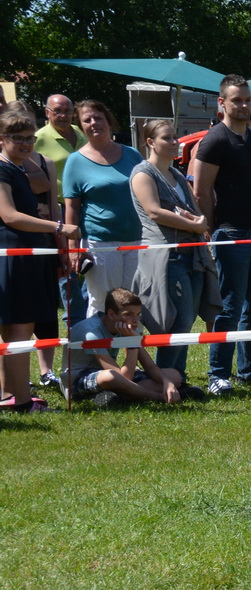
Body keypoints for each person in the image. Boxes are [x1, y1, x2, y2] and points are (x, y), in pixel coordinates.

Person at [194, 76, 251, 395]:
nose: (244, 105)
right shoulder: (215, 140)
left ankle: (249, 369)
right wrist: (211, 231)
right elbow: (201, 191)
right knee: (228, 307)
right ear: (222, 103)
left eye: (247, 100)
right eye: (237, 100)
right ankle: (218, 373)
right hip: (230, 234)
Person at [1, 104, 72, 411]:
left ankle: (8, 395)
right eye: (17, 137)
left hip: (23, 254)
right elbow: (9, 215)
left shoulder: (17, 168)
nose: (26, 143)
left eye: (30, 137)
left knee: (13, 331)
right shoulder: (3, 169)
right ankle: (22, 401)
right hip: (15, 255)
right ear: (2, 138)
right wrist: (58, 226)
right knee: (18, 330)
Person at [130, 118, 211, 384]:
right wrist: (194, 225)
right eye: (168, 138)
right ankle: (164, 378)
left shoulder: (176, 174)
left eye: (175, 137)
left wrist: (200, 224)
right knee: (178, 320)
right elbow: (154, 211)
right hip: (167, 255)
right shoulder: (143, 173)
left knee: (186, 322)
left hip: (192, 253)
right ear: (150, 142)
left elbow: (195, 207)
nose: (175, 142)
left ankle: (177, 376)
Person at [61, 100, 143, 321]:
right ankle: (100, 353)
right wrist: (73, 248)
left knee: (132, 303)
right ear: (81, 126)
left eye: (98, 117)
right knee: (103, 303)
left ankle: (130, 353)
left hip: (136, 240)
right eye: (87, 120)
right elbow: (72, 208)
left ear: (108, 121)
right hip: (100, 243)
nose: (93, 123)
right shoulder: (75, 161)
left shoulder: (132, 154)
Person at [65, 287, 197, 406]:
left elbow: (150, 366)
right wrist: (132, 344)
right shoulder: (91, 332)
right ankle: (159, 397)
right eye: (128, 314)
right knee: (111, 377)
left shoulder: (125, 327)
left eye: (138, 314)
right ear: (111, 314)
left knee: (174, 375)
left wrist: (167, 382)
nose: (135, 320)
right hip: (77, 381)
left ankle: (117, 397)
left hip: (115, 379)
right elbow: (123, 377)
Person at [33, 93, 84, 376]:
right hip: (58, 214)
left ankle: (84, 347)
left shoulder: (81, 133)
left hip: (86, 211)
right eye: (58, 111)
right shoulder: (38, 138)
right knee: (66, 282)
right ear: (47, 112)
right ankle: (56, 365)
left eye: (67, 110)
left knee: (84, 278)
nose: (63, 115)